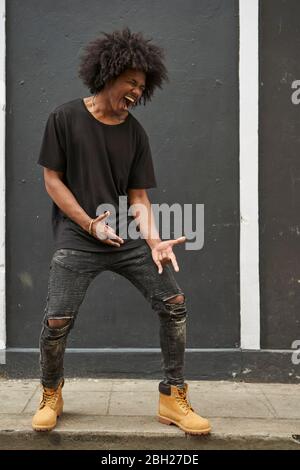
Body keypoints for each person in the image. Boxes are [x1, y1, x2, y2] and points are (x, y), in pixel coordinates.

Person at [32, 28, 211, 435]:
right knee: (57, 319)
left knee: (174, 301)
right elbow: (52, 180)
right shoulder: (64, 118)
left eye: (142, 86)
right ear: (109, 73)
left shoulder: (135, 133)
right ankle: (51, 391)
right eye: (131, 81)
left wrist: (153, 239)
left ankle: (173, 397)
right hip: (78, 236)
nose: (136, 91)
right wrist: (87, 222)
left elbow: (139, 198)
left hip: (124, 235)